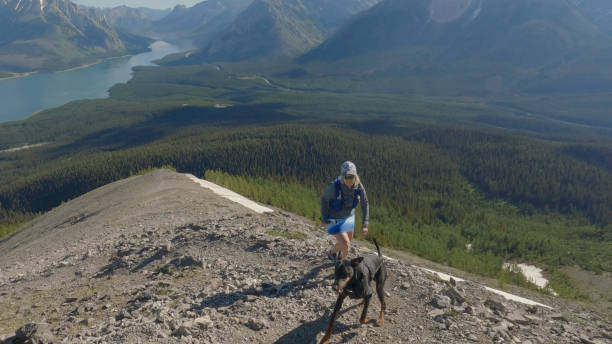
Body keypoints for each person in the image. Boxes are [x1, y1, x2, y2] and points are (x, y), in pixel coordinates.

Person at [321, 161, 369, 260]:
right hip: (333, 218)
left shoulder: (359, 186)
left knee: (347, 241)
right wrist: (324, 219)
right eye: (346, 177)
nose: (349, 180)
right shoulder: (334, 186)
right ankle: (342, 264)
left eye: (351, 176)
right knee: (346, 244)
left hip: (348, 217)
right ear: (342, 177)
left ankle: (333, 253)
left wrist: (365, 224)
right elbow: (324, 199)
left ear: (355, 176)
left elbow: (365, 203)